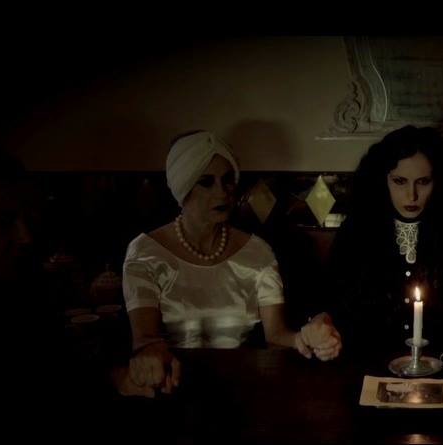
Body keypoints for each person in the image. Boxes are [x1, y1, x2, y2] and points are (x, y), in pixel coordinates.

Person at [122, 131, 341, 395]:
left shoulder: (257, 252)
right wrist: (150, 356)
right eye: (206, 182)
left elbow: (276, 336)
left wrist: (307, 336)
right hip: (172, 389)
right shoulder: (146, 252)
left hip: (243, 389)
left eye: (227, 180)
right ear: (183, 187)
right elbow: (144, 340)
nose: (222, 192)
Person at [325, 125, 443, 357]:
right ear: (383, 180)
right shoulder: (356, 231)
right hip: (369, 362)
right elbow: (330, 300)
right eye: (400, 181)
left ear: (438, 182)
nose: (412, 195)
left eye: (423, 182)